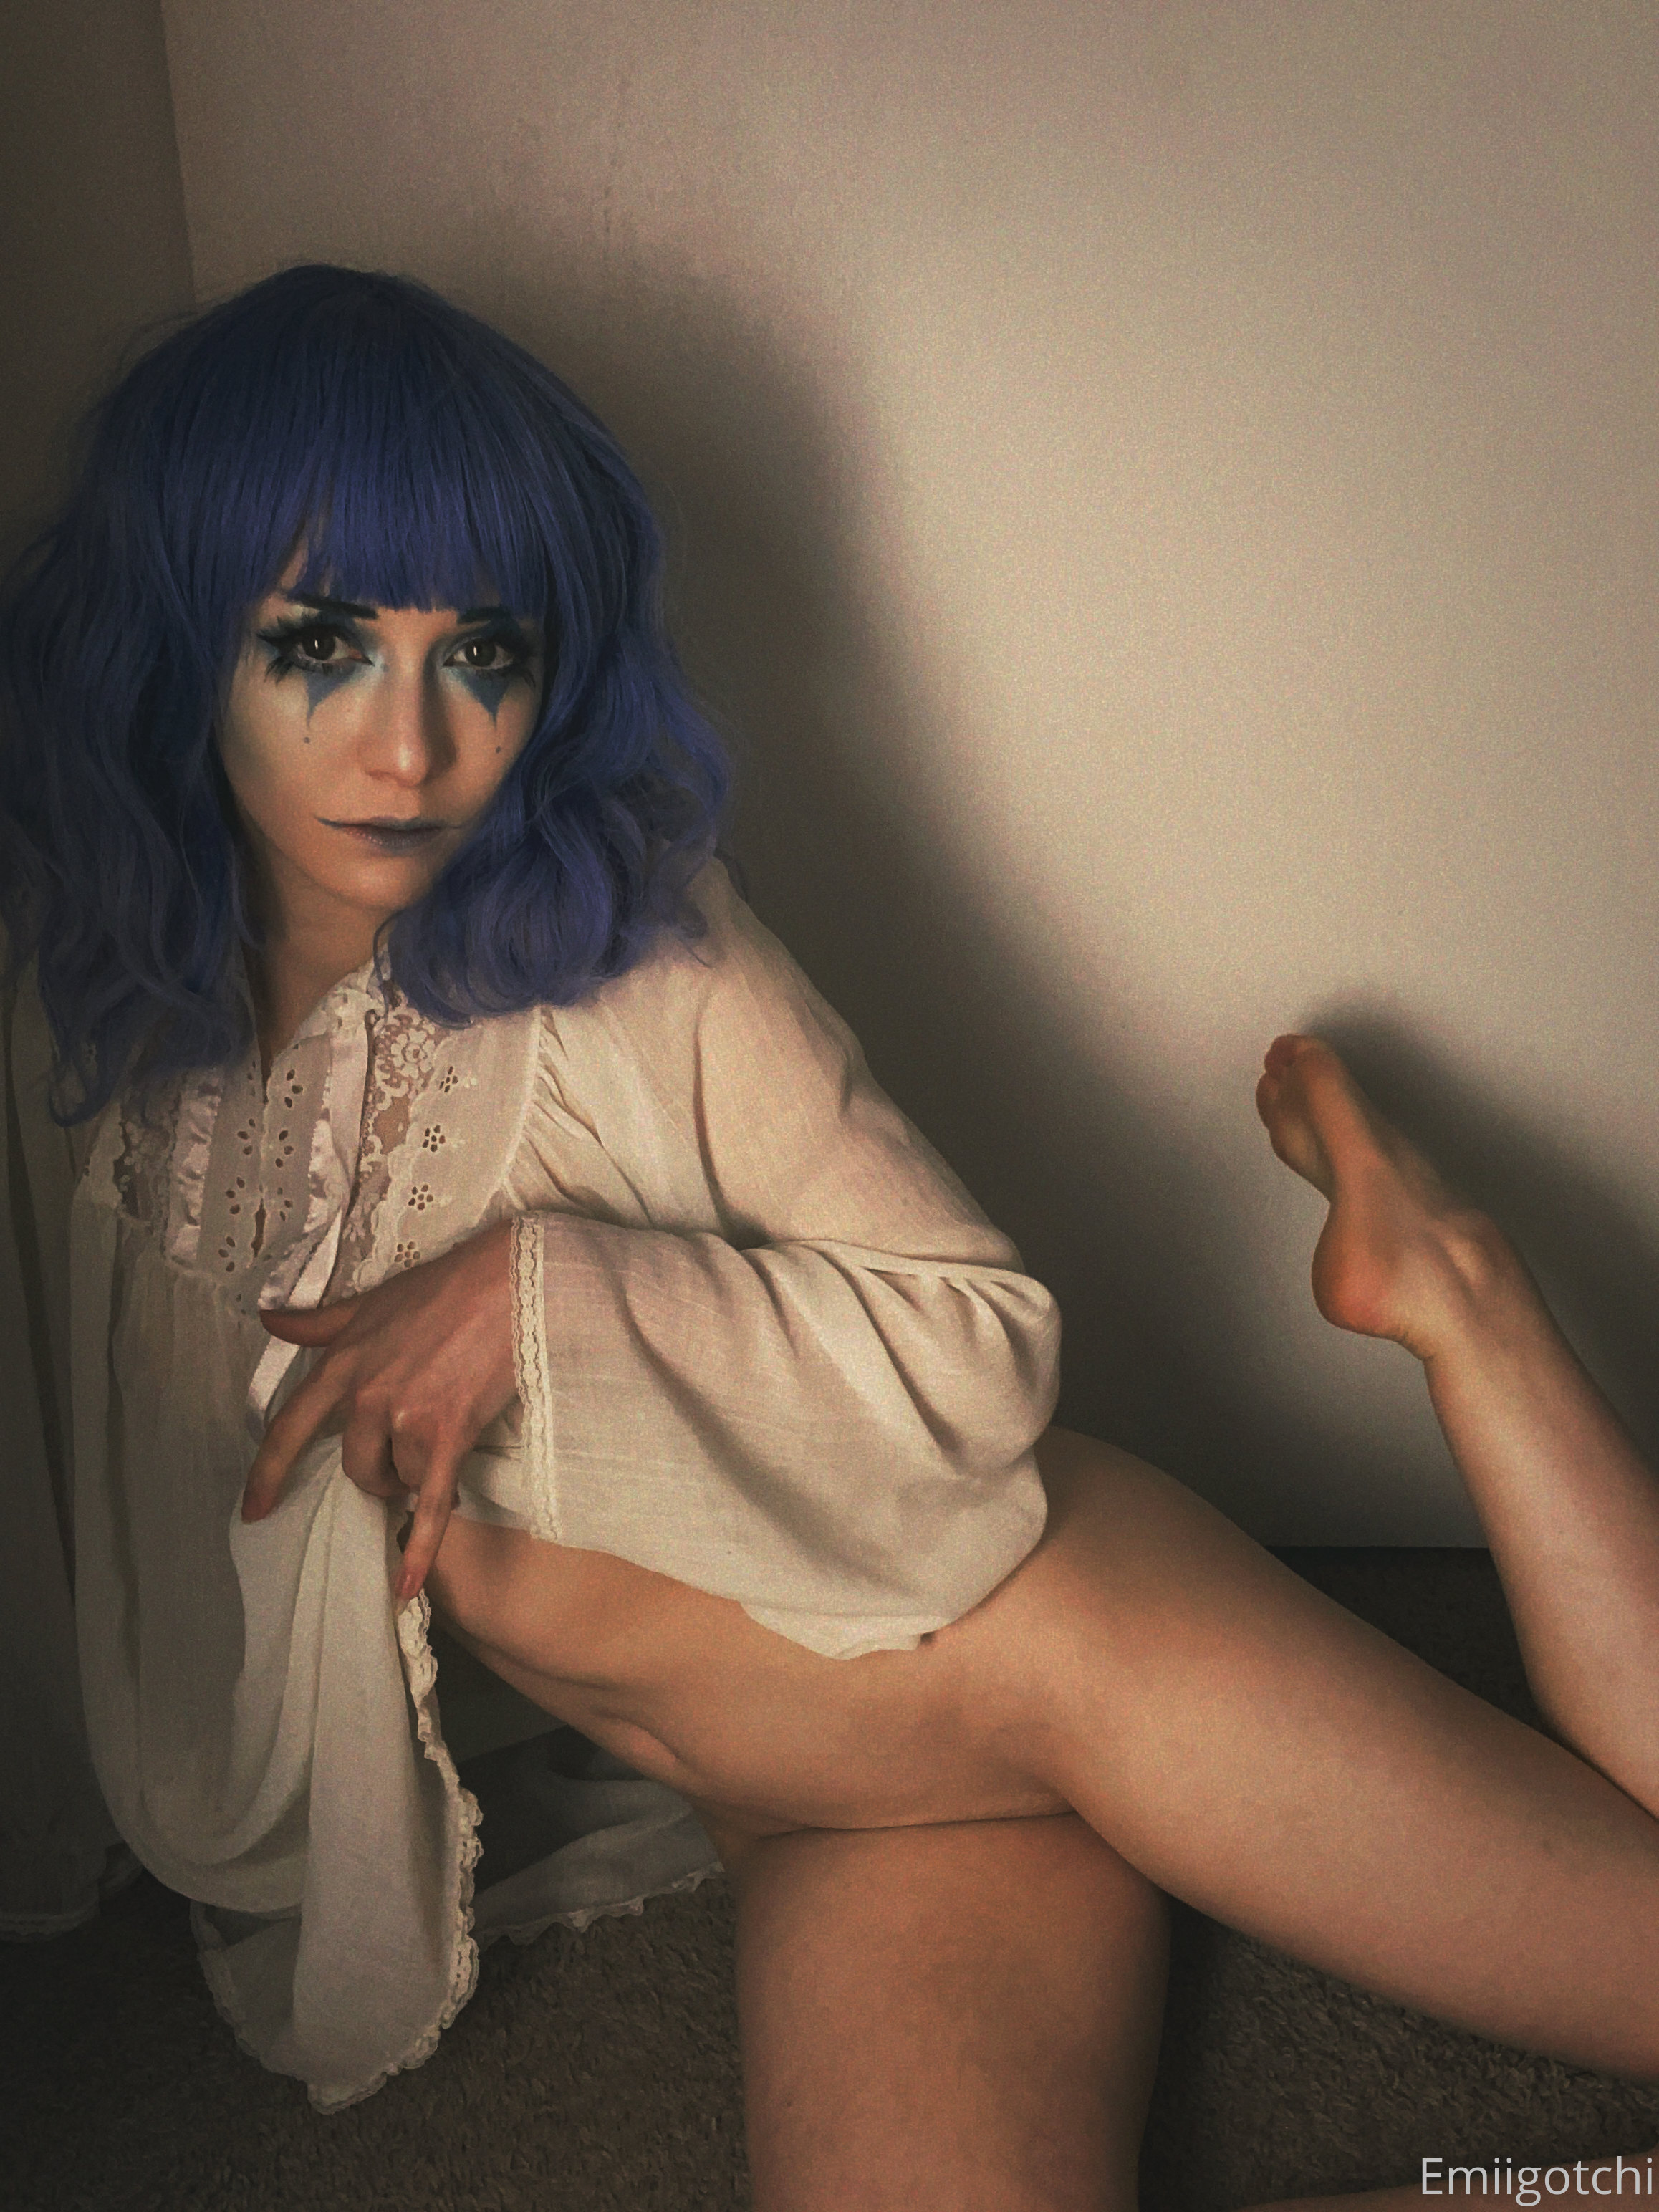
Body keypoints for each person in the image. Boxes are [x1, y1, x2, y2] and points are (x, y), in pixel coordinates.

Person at [3, 263, 1658, 2211]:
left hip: (1040, 1635)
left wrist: (533, 1296)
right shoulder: (118, 1043)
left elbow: (975, 1332)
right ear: (175, 641)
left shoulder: (634, 955)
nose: (412, 749)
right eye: (322, 646)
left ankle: (1460, 1300)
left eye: (482, 655)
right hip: (828, 1809)